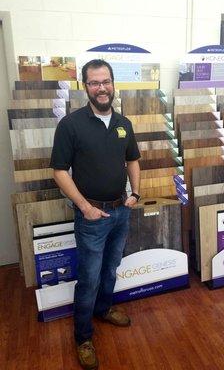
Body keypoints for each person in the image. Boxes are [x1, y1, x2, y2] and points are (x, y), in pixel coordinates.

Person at [50, 59, 141, 370]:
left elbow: (133, 161)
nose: (101, 88)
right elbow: (59, 171)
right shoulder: (71, 125)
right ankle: (83, 337)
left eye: (105, 81)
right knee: (88, 278)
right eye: (94, 83)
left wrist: (136, 194)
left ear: (113, 83)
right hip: (91, 217)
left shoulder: (123, 123)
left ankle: (104, 310)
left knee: (111, 269)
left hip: (120, 212)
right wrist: (85, 207)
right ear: (85, 86)